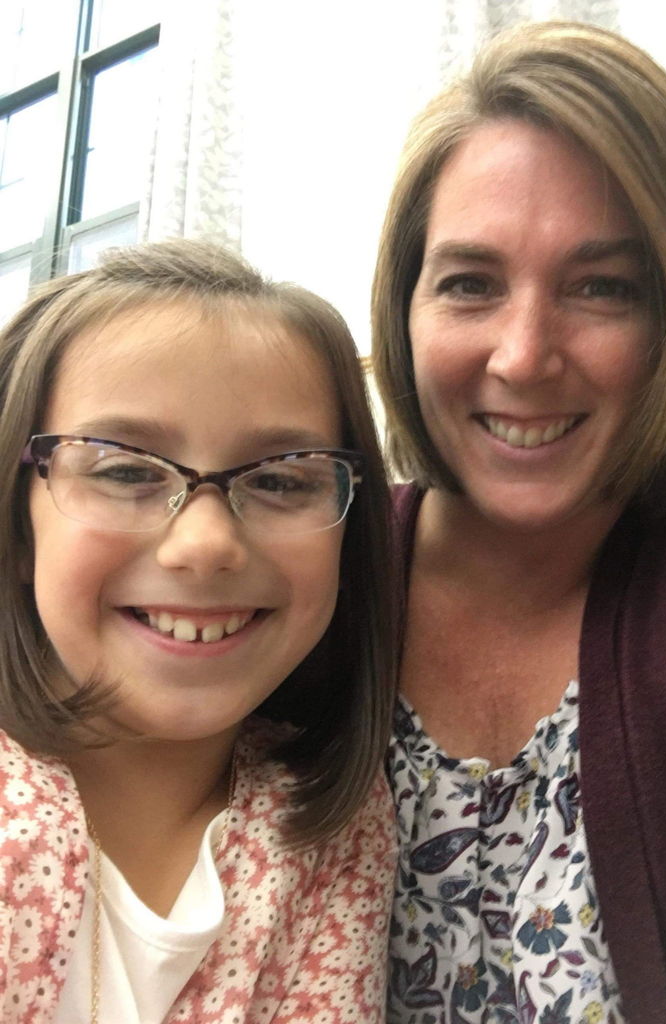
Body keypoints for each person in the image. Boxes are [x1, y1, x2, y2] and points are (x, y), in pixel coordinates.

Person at [372, 20, 666, 1024]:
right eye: (469, 283)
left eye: (601, 288)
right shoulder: (299, 573)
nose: (522, 356)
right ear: (404, 309)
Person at [0, 239, 397, 1023]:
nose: (206, 543)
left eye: (281, 478)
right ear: (16, 526)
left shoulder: (334, 828)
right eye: (124, 470)